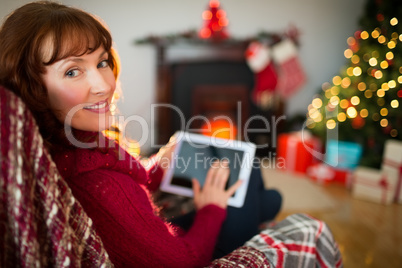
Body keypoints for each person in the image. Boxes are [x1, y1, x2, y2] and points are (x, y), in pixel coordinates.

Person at [0, 1, 281, 267]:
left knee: (255, 186)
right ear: (32, 89)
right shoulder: (98, 184)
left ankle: (262, 206)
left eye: (101, 62)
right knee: (248, 169)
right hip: (194, 253)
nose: (103, 85)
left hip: (155, 238)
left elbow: (128, 183)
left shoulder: (71, 144)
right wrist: (210, 209)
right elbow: (180, 262)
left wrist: (158, 165)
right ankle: (260, 210)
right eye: (72, 71)